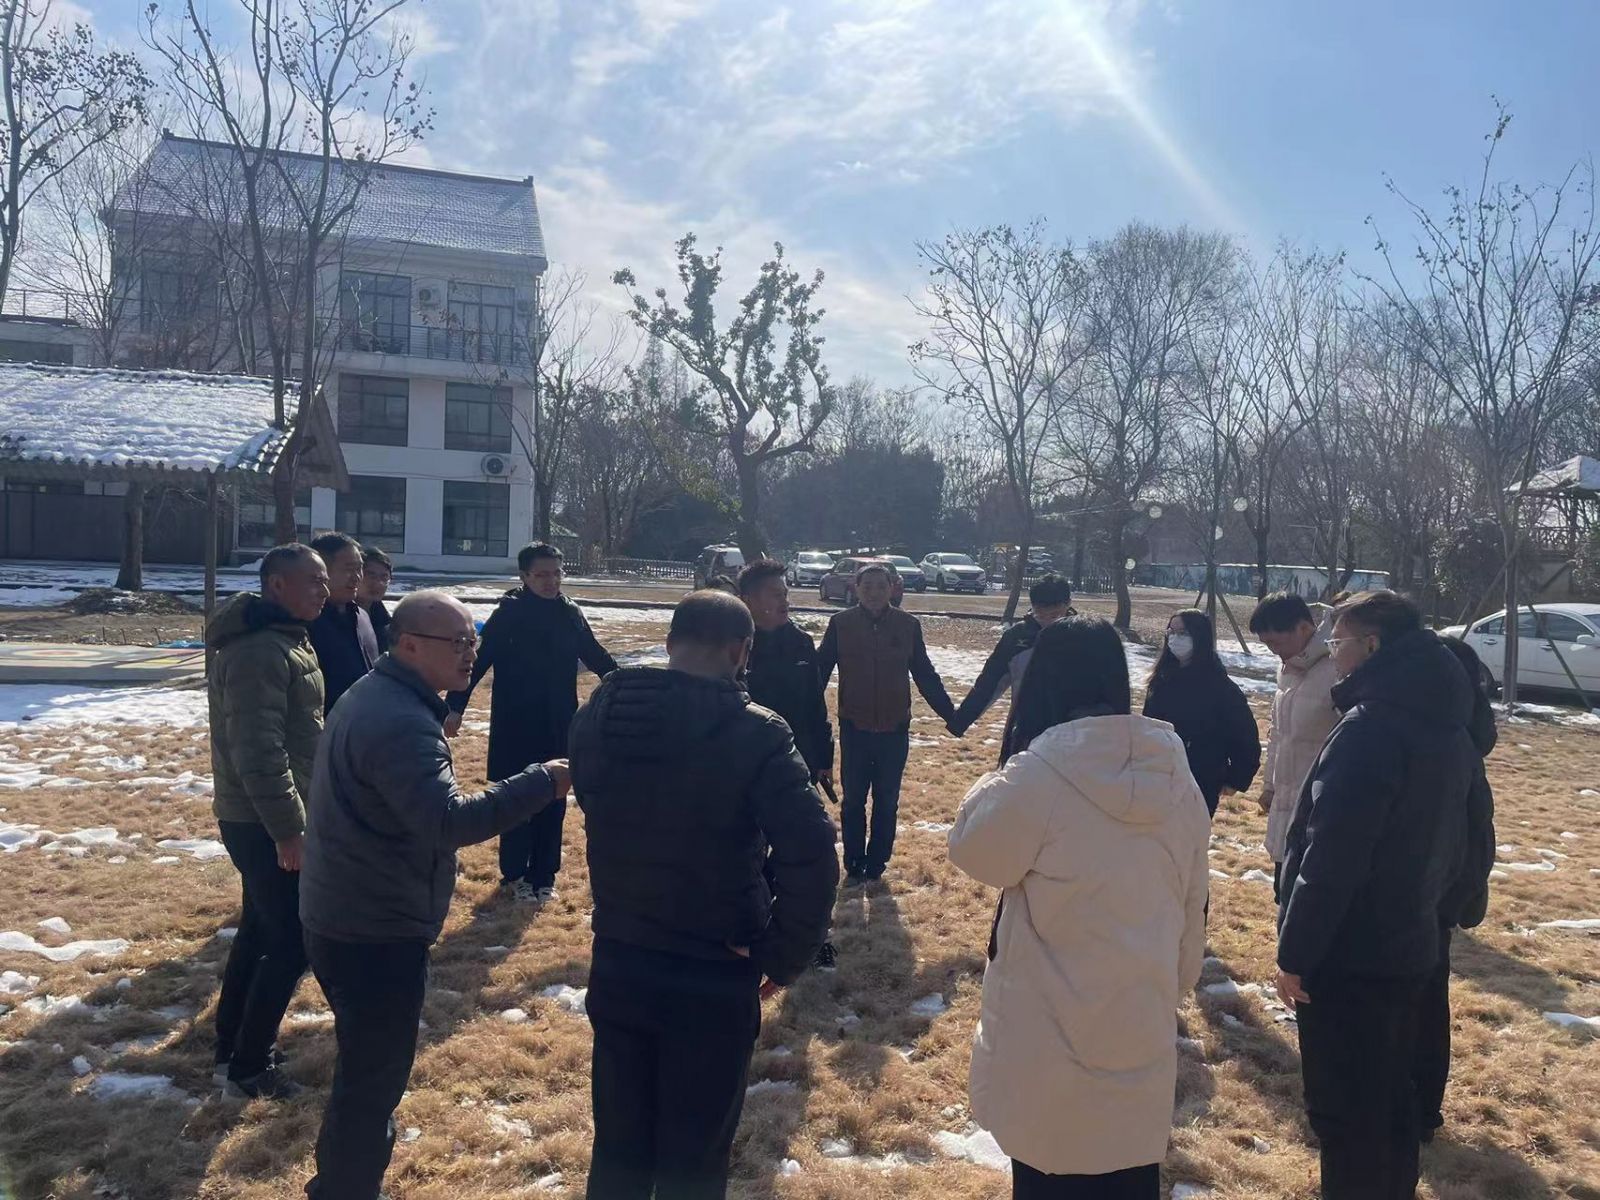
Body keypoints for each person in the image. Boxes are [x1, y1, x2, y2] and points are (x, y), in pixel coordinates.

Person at [299, 591, 569, 1200]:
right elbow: (447, 821)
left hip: (349, 909)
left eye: (473, 640)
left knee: (365, 1072)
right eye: (458, 643)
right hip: (372, 927)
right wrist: (542, 782)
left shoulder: (382, 695)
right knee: (371, 1084)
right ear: (410, 645)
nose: (470, 653)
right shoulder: (397, 718)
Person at [570, 589, 838, 1200]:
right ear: (743, 652)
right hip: (714, 964)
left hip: (621, 952)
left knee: (618, 1146)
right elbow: (813, 853)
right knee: (695, 1157)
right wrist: (783, 955)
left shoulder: (600, 713)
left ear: (670, 643)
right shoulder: (757, 731)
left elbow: (592, 796)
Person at [948, 616, 1209, 1198]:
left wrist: (998, 774)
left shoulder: (1039, 773)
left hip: (1051, 1012)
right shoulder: (1174, 773)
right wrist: (1177, 978)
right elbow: (1194, 895)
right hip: (1140, 1003)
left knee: (1051, 1159)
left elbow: (975, 851)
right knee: (1127, 1161)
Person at [1275, 592, 1476, 1200]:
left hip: (1350, 952)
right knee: (1390, 1101)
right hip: (1411, 939)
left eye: (1339, 642)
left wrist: (1296, 952)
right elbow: (1471, 832)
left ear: (1373, 645)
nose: (1333, 654)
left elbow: (1332, 858)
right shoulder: (1445, 722)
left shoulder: (1371, 731)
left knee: (1346, 1109)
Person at [205, 543, 330, 1100]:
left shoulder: (285, 639)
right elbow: (259, 753)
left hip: (270, 815)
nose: (324, 591)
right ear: (277, 585)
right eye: (313, 581)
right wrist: (288, 830)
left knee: (261, 930)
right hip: (264, 821)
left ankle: (231, 1050)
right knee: (292, 940)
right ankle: (250, 1068)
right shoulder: (259, 651)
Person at [444, 543, 617, 905]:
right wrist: (455, 706)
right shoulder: (509, 614)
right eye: (542, 575)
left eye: (557, 573)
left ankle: (544, 874)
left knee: (554, 796)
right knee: (517, 798)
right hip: (515, 724)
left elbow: (596, 655)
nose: (551, 581)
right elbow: (478, 661)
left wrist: (623, 685)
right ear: (524, 576)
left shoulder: (569, 613)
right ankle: (515, 874)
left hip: (558, 722)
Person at [817, 562, 957, 882]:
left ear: (892, 588)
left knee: (887, 799)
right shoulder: (841, 624)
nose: (874, 593)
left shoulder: (908, 625)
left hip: (894, 729)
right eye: (867, 586)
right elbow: (819, 673)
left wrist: (951, 716)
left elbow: (924, 674)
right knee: (854, 799)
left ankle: (877, 862)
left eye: (881, 586)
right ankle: (854, 861)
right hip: (854, 727)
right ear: (856, 587)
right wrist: (805, 716)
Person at [1415, 635, 1498, 1143]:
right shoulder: (1457, 734)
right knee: (1427, 1001)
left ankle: (1420, 1108)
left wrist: (1446, 900)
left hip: (1426, 899)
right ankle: (1422, 1106)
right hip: (1435, 897)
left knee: (1421, 1004)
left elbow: (1473, 831)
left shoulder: (1449, 741)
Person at [737, 558, 838, 967]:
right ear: (749, 600)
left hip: (796, 764)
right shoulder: (734, 643)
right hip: (744, 764)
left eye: (786, 593)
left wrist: (823, 757)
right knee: (749, 853)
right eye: (775, 594)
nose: (785, 601)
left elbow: (815, 704)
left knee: (802, 854)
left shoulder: (800, 642)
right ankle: (753, 928)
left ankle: (810, 939)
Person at [1249, 592, 1340, 897]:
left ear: (1303, 628)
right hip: (1287, 803)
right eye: (1266, 645)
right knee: (1284, 891)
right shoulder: (1288, 668)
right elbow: (1279, 735)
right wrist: (1269, 786)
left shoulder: (1337, 668)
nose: (1273, 652)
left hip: (1321, 807)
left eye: (1276, 642)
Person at [1141, 609, 1261, 817]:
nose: (1175, 638)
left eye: (1183, 633)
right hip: (1157, 776)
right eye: (1171, 632)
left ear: (1199, 637)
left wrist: (1236, 779)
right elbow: (1147, 727)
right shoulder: (1160, 682)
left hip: (1201, 780)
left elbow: (1245, 737)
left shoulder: (1220, 687)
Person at [948, 573, 1073, 749]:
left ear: (1068, 604)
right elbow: (990, 681)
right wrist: (961, 721)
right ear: (1032, 608)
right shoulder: (1016, 637)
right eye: (1040, 615)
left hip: (1074, 730)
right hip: (1025, 729)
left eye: (1054, 615)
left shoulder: (1085, 635)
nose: (1047, 622)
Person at [307, 531, 379, 714]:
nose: (357, 577)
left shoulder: (362, 616)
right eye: (349, 569)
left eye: (359, 568)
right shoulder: (307, 621)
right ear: (322, 571)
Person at [358, 546, 394, 651]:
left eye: (384, 577)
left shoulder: (386, 621)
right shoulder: (340, 617)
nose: (378, 583)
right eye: (371, 576)